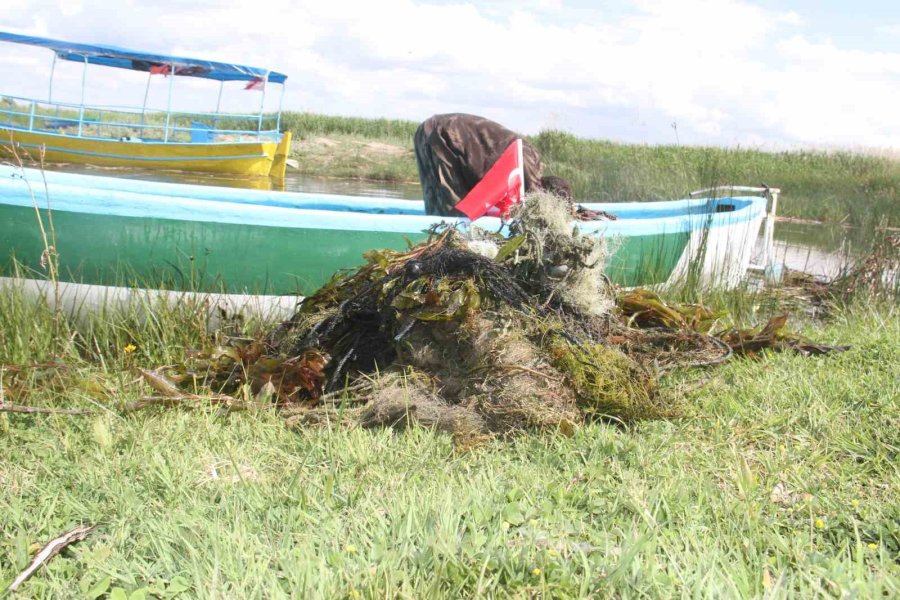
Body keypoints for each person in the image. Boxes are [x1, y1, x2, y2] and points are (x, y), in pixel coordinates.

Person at [414, 113, 572, 216]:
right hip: (447, 135)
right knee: (451, 214)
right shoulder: (530, 161)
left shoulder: (521, 169)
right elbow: (535, 203)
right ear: (549, 196)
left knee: (436, 205)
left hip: (429, 129)